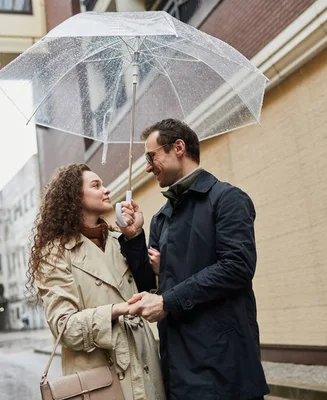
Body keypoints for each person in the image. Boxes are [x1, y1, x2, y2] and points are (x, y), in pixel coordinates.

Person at [119, 119, 270, 399]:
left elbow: (237, 268)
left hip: (224, 370)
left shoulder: (227, 199)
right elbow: (149, 287)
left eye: (151, 156)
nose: (148, 167)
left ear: (178, 147)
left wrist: (167, 301)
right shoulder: (161, 218)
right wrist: (134, 237)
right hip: (178, 370)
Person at [28, 164, 165, 400]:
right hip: (99, 383)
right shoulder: (55, 253)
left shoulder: (119, 240)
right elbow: (64, 326)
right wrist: (116, 310)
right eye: (96, 185)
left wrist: (140, 245)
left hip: (145, 370)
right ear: (75, 196)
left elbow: (147, 292)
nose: (107, 190)